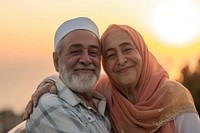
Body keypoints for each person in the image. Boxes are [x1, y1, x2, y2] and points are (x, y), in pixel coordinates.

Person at [23, 24, 200, 133]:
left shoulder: (174, 96)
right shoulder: (106, 91)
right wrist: (51, 80)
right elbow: (74, 76)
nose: (121, 60)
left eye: (127, 49)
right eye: (110, 54)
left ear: (143, 53)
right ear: (105, 64)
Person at [24, 17, 112, 133]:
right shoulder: (52, 106)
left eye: (93, 52)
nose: (86, 60)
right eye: (75, 51)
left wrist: (51, 79)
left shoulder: (105, 97)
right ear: (56, 61)